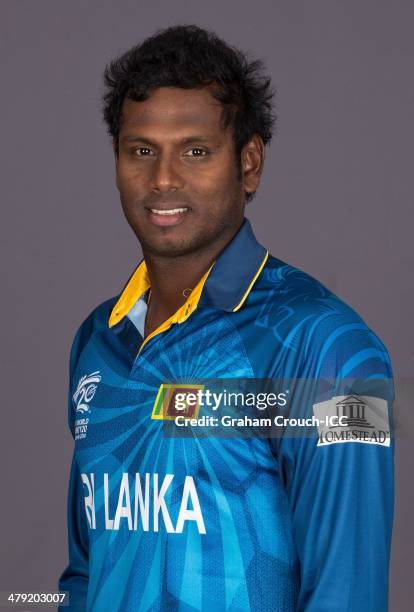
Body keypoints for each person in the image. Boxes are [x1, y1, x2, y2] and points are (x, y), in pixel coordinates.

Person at [58, 24, 394, 611]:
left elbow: (348, 595)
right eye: (141, 151)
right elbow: (87, 571)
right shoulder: (97, 339)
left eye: (195, 151)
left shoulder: (332, 350)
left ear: (250, 163)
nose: (163, 179)